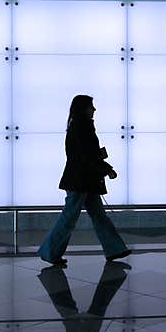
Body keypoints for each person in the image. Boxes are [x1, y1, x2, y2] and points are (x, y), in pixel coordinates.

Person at [38, 94, 131, 266]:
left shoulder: (78, 126)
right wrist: (106, 168)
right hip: (80, 181)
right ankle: (49, 251)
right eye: (91, 106)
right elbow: (86, 156)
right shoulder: (82, 127)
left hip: (83, 180)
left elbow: (84, 154)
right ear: (83, 108)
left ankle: (115, 250)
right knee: (72, 217)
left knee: (96, 215)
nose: (94, 109)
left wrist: (100, 160)